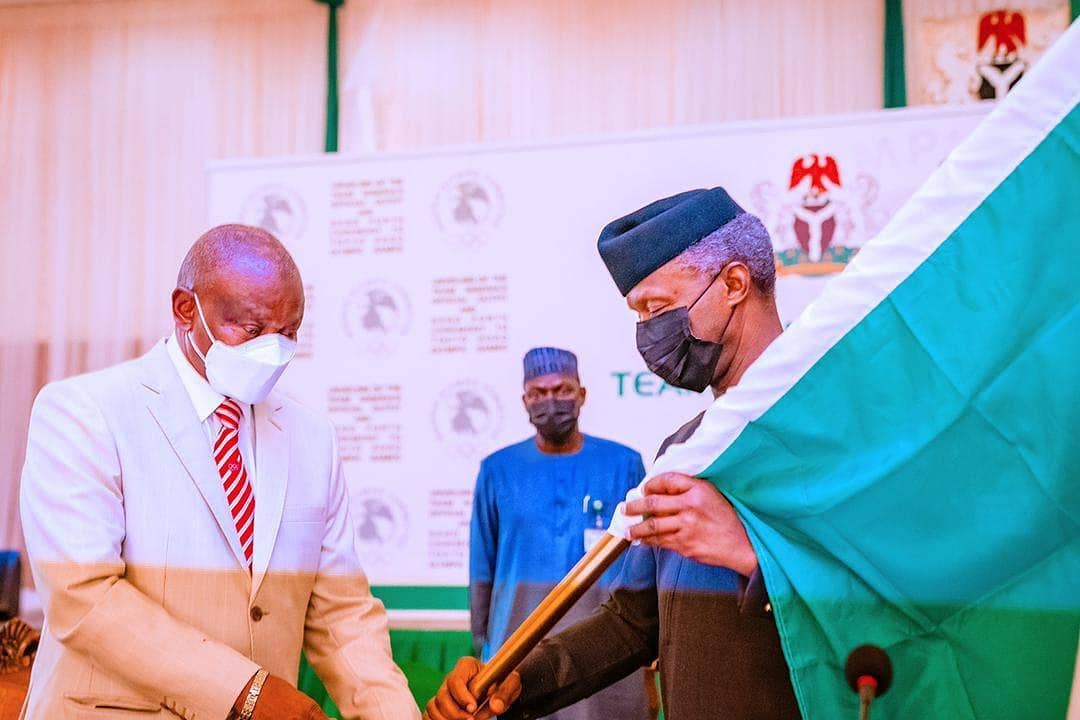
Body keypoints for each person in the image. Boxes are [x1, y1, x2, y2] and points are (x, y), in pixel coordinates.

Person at [425, 188, 801, 720]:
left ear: (735, 284)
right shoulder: (684, 451)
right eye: (639, 314)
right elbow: (632, 622)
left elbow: (901, 598)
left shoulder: (828, 433)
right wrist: (511, 681)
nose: (648, 333)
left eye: (659, 307)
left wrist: (751, 556)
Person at [19, 224, 420, 720]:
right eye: (251, 329)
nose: (272, 349)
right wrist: (245, 692)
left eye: (288, 332)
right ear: (187, 309)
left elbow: (341, 613)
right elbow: (83, 598)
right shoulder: (84, 411)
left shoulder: (313, 438)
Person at [468, 348, 650, 720]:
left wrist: (649, 663)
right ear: (524, 401)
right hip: (516, 655)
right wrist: (483, 652)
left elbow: (643, 566)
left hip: (606, 655)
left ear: (582, 394)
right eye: (538, 393)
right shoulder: (497, 470)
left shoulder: (625, 464)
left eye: (562, 390)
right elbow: (482, 567)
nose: (550, 401)